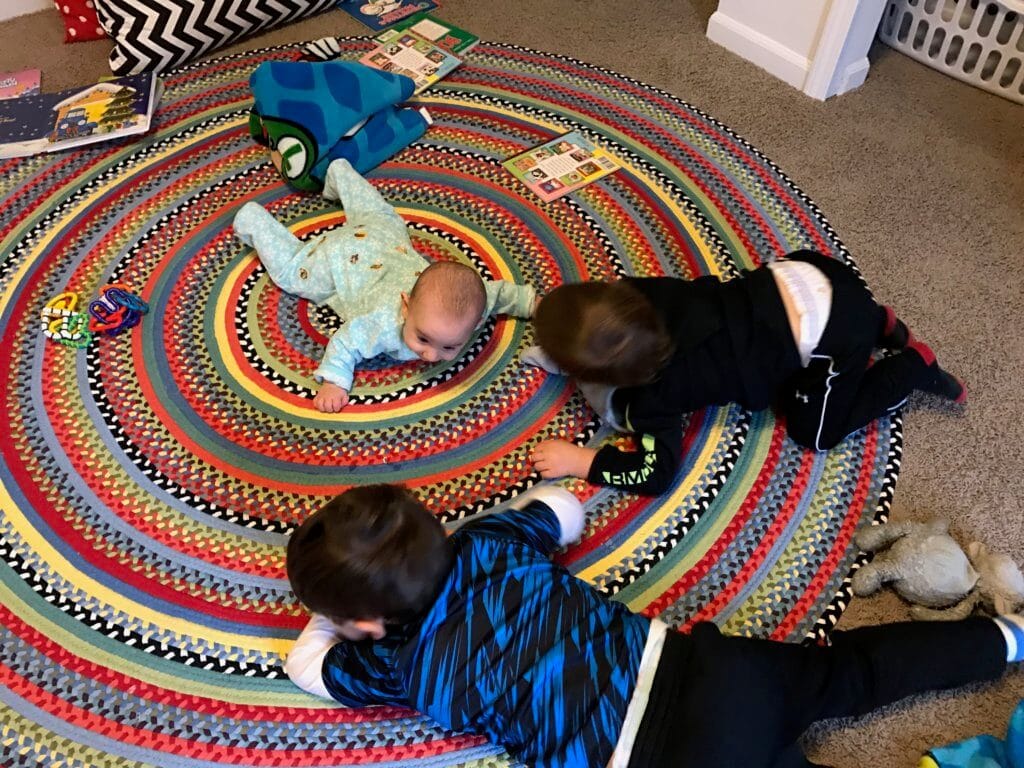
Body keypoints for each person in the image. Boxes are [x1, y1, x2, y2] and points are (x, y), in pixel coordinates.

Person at [284, 483, 1024, 768]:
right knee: (852, 671)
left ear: (366, 622)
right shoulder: (490, 544)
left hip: (652, 759)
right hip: (708, 671)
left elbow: (306, 667)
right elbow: (562, 510)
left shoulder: (398, 666)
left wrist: (334, 623)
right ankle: (1004, 638)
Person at [525, 250, 965, 495]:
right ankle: (877, 321)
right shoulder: (636, 291)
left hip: (836, 331)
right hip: (805, 271)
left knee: (816, 432)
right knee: (792, 342)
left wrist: (584, 460)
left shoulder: (651, 398)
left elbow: (657, 473)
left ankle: (910, 365)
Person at [233, 157, 536, 412]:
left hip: (381, 238)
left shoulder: (472, 308)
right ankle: (251, 221)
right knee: (291, 270)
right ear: (406, 306)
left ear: (473, 325)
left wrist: (529, 303)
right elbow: (346, 340)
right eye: (423, 338)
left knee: (378, 214)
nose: (429, 355)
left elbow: (497, 294)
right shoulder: (384, 323)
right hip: (338, 260)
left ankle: (340, 171)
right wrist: (335, 380)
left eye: (449, 347)